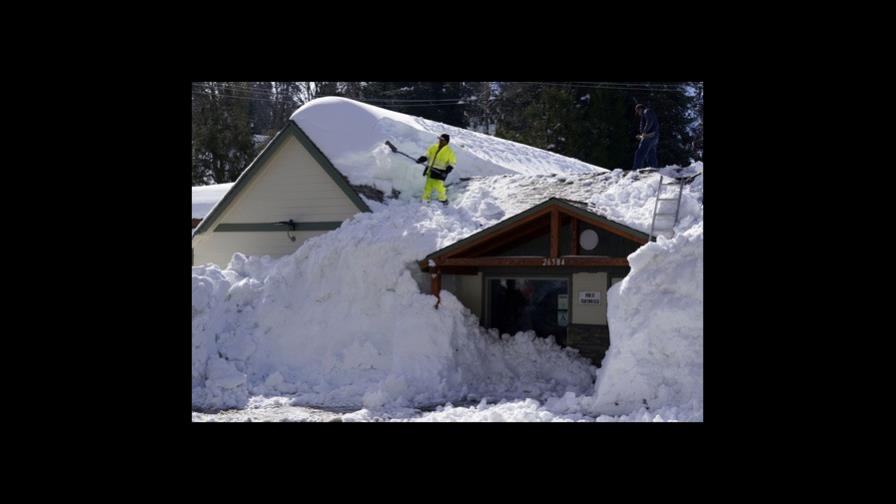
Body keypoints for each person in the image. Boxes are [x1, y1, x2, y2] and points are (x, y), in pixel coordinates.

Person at [416, 133, 457, 205]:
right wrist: (422, 158)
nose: (440, 141)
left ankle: (443, 199)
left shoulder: (450, 151)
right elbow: (427, 154)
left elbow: (452, 163)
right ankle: (425, 199)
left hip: (440, 172)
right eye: (439, 139)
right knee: (428, 186)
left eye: (442, 140)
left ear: (446, 142)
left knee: (439, 187)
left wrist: (447, 171)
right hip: (430, 170)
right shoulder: (434, 147)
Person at [633, 103, 660, 169]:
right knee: (651, 154)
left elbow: (650, 121)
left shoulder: (646, 111)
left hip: (649, 136)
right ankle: (654, 169)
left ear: (640, 109)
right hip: (655, 136)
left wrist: (644, 132)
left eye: (637, 111)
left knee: (640, 153)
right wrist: (642, 135)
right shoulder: (647, 114)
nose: (638, 113)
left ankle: (636, 169)